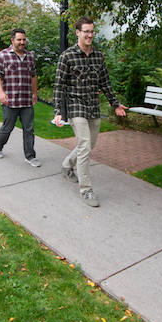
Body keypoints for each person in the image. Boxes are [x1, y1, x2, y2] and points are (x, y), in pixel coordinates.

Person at [53, 17, 128, 207]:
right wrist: (58, 111)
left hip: (93, 106)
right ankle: (86, 190)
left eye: (92, 31)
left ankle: (67, 165)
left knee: (89, 144)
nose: (89, 35)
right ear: (77, 32)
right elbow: (59, 86)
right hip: (75, 106)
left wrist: (115, 103)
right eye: (86, 31)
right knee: (85, 145)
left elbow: (105, 83)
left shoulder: (98, 56)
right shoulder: (67, 56)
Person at [0, 28, 40, 167]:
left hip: (26, 100)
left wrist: (34, 93)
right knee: (8, 126)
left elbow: (33, 76)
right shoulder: (2, 55)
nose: (22, 42)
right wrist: (1, 93)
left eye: (24, 39)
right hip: (10, 99)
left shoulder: (30, 56)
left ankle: (30, 155)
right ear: (12, 40)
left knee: (29, 129)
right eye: (19, 39)